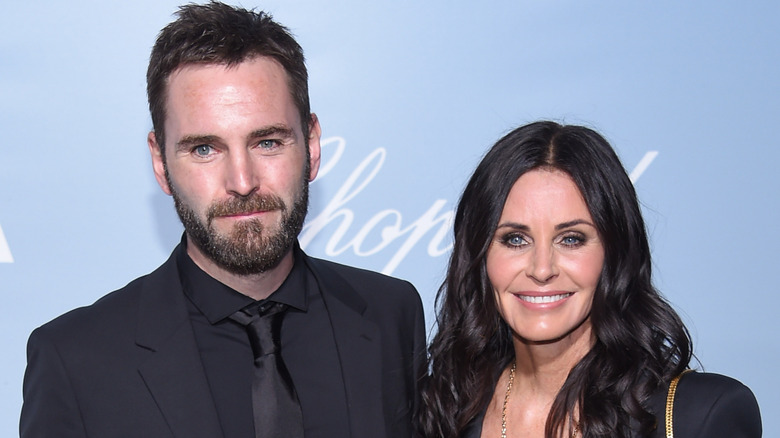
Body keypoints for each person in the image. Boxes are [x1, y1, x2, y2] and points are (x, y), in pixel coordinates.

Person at [20, 3, 425, 438]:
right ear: (160, 162)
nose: (243, 181)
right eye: (204, 149)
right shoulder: (75, 358)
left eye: (267, 142)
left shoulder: (390, 315)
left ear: (311, 144)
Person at [418, 121, 761, 438]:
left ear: (614, 251)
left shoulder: (702, 415)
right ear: (480, 255)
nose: (541, 269)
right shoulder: (441, 411)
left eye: (571, 239)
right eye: (515, 239)